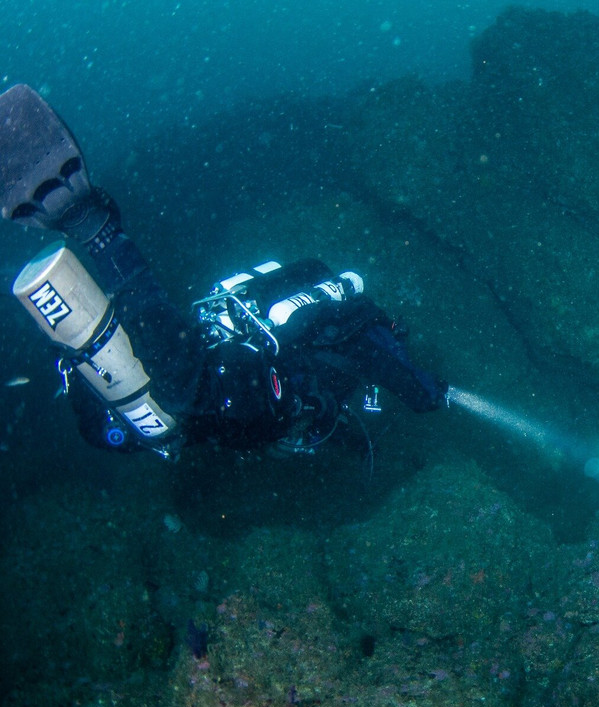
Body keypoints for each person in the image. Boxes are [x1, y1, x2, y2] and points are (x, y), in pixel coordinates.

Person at [0, 84, 446, 459]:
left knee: (169, 375)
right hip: (219, 402)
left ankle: (91, 319)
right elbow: (406, 382)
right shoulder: (355, 322)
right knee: (180, 389)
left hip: (198, 396)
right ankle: (97, 233)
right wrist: (435, 395)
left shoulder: (311, 307)